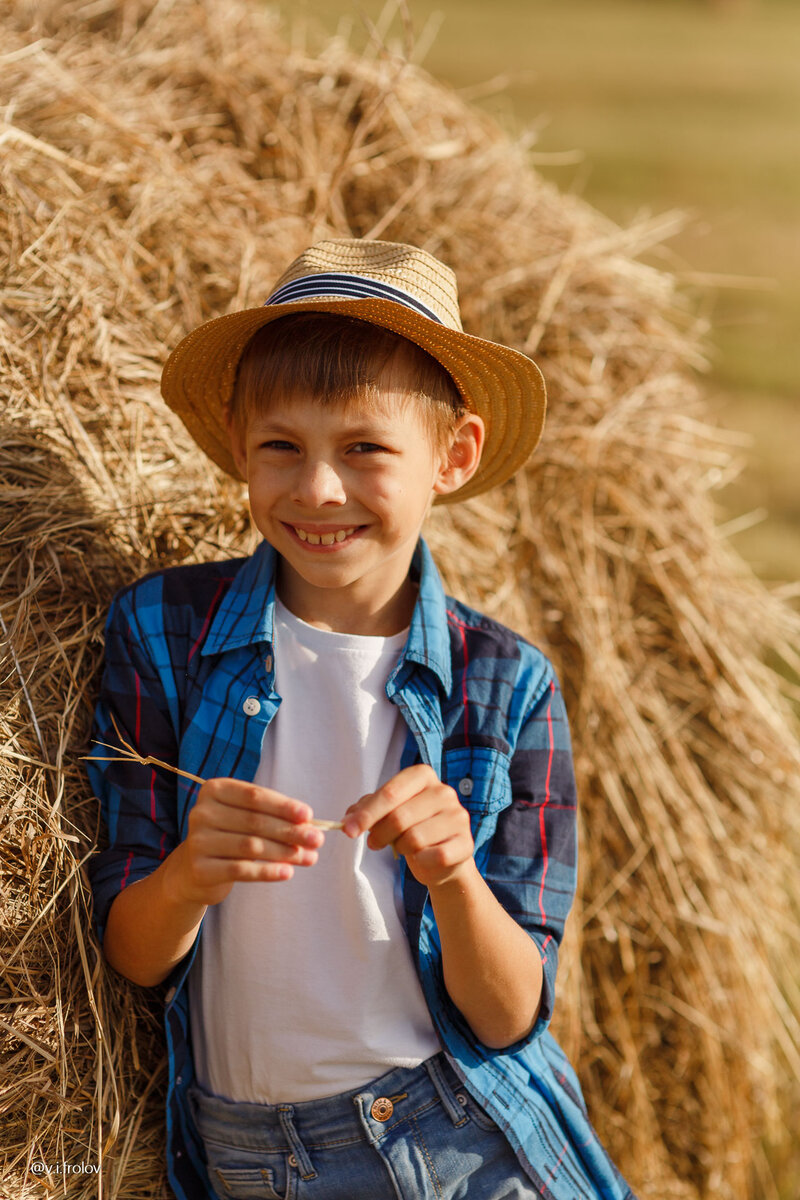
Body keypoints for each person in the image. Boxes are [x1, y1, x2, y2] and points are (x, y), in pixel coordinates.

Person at [86, 239, 635, 1200]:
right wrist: (190, 872)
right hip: (245, 1153)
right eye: (282, 447)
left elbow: (510, 1017)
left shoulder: (505, 685)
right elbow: (133, 952)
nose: (319, 490)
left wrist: (456, 876)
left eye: (365, 449)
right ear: (236, 442)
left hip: (459, 1142)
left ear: (451, 457)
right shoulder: (162, 632)